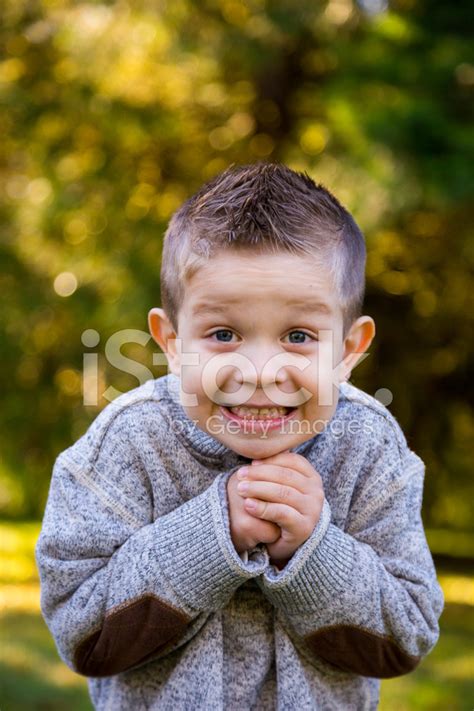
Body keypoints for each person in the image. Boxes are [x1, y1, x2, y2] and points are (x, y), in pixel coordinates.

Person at [35, 163, 444, 710]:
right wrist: (210, 537)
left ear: (349, 350)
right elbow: (81, 635)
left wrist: (314, 551)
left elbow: (406, 639)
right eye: (223, 334)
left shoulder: (368, 448)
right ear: (173, 340)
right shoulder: (129, 443)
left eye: (298, 336)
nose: (257, 369)